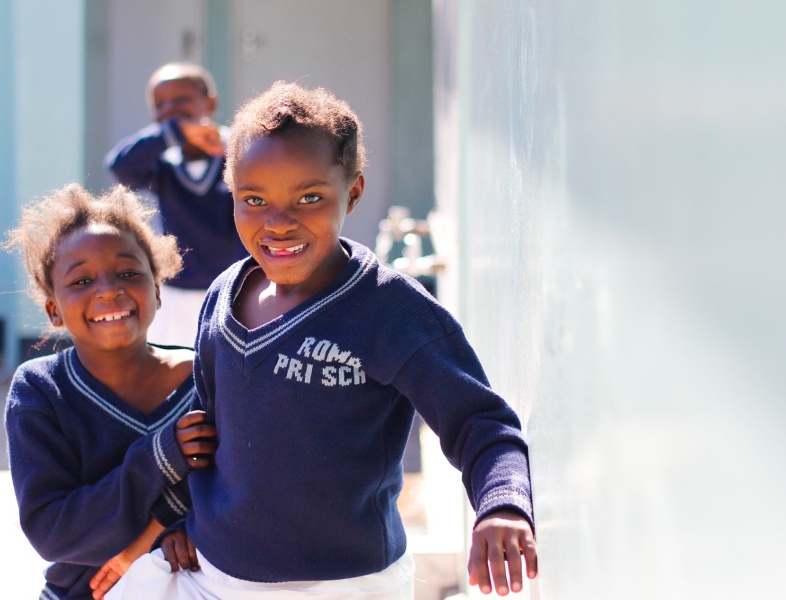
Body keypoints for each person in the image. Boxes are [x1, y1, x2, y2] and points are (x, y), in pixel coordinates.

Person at [109, 82, 537, 599]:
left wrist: (503, 505)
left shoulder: (388, 309)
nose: (278, 222)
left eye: (309, 197)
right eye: (254, 200)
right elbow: (203, 429)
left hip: (347, 584)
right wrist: (174, 519)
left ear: (352, 192)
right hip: (219, 575)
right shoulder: (223, 295)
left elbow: (481, 421)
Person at [2, 184, 216, 600]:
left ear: (157, 289)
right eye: (81, 279)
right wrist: (159, 458)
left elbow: (241, 485)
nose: (108, 289)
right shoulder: (41, 390)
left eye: (128, 273)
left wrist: (177, 527)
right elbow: (54, 532)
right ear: (54, 310)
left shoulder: (207, 376)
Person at [105, 63, 248, 347]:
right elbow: (120, 167)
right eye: (160, 105)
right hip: (176, 292)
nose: (170, 109)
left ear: (211, 102)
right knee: (178, 370)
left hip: (233, 289)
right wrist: (173, 133)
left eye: (182, 99)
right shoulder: (162, 163)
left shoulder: (239, 151)